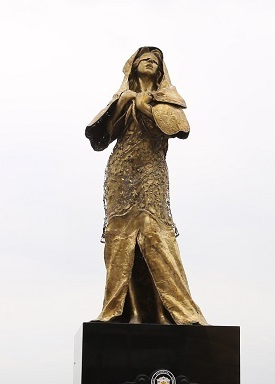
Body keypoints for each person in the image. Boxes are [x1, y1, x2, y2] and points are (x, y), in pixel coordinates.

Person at [86, 47, 207, 325]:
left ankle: (175, 311)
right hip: (122, 172)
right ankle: (119, 311)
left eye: (156, 60)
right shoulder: (122, 97)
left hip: (152, 171)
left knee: (154, 231)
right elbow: (101, 137)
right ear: (133, 66)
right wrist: (125, 102)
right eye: (145, 58)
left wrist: (144, 107)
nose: (150, 61)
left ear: (161, 70)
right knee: (119, 233)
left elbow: (178, 128)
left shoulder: (166, 98)